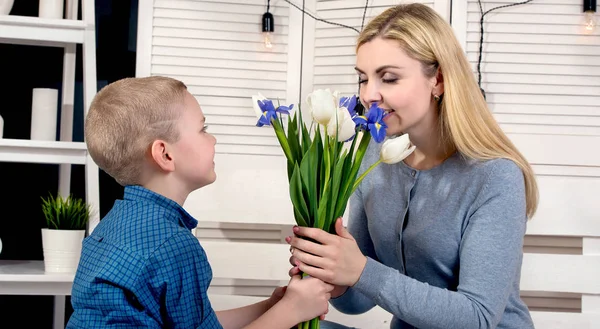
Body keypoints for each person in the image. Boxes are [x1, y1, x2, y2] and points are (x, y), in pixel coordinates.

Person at [286, 3, 538, 329]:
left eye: (388, 78)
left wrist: (361, 270)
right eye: (363, 78)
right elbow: (360, 299)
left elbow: (477, 317)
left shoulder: (494, 176)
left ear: (439, 80)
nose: (368, 95)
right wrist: (336, 275)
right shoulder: (372, 154)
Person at [66, 76, 333, 329]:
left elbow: (192, 322)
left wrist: (270, 307)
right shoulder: (173, 245)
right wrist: (292, 310)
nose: (213, 138)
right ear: (165, 154)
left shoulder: (109, 228)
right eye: (203, 129)